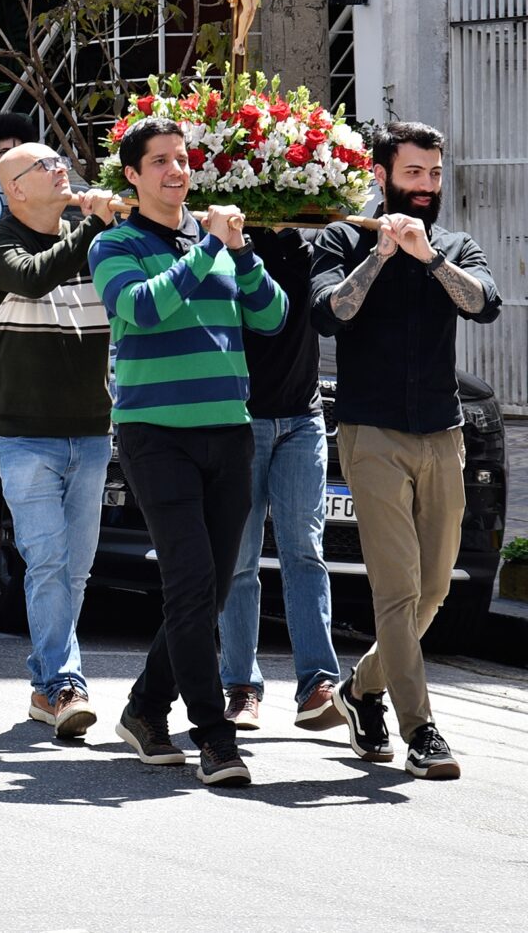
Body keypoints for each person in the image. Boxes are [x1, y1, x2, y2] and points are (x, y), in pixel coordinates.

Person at [90, 116, 287, 787]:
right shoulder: (115, 242)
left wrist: (244, 252)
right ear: (133, 175)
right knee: (191, 583)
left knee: (207, 591)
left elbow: (272, 317)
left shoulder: (219, 246)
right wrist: (207, 247)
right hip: (155, 434)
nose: (177, 170)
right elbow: (142, 309)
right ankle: (213, 735)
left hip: (229, 431)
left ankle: (146, 706)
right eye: (161, 161)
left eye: (183, 159)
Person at [312, 121, 501, 780]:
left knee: (434, 587)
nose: (425, 185)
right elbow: (328, 312)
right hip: (372, 433)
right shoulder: (344, 238)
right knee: (396, 591)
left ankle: (361, 689)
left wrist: (430, 259)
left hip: (442, 432)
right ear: (382, 174)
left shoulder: (454, 246)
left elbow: (486, 305)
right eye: (413, 172)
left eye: (434, 173)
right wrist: (381, 256)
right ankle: (421, 730)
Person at [0, 144, 115, 737]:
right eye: (43, 166)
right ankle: (63, 683)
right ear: (14, 189)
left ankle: (44, 681)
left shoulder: (95, 239)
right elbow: (34, 277)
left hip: (92, 429)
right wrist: (96, 227)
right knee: (48, 560)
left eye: (60, 161)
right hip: (26, 434)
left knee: (75, 568)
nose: (60, 169)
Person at [217, 227, 343, 733]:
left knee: (305, 553)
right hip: (239, 419)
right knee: (239, 560)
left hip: (302, 420)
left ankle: (318, 684)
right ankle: (241, 686)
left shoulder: (313, 251)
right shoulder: (225, 248)